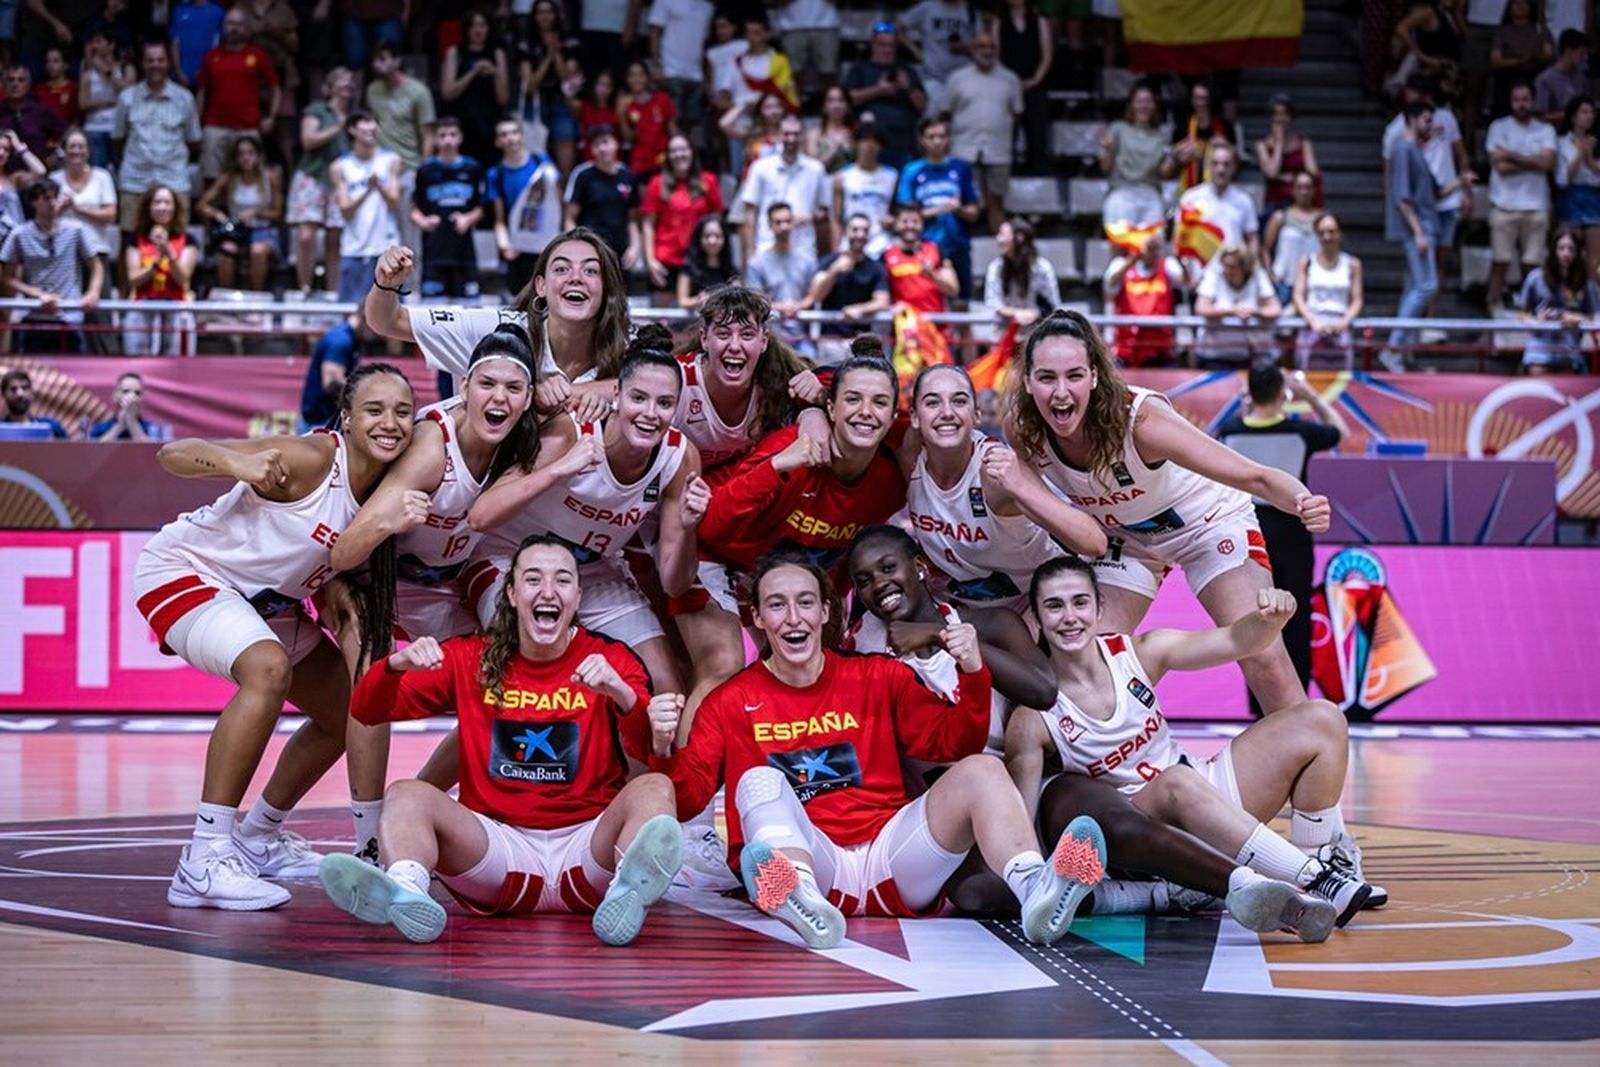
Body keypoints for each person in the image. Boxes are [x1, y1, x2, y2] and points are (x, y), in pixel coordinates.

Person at [651, 552, 1108, 949]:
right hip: (816, 861)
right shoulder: (728, 701)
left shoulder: (877, 675)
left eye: (806, 602)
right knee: (757, 781)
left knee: (981, 769)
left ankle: (1035, 891)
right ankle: (799, 897)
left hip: (892, 857)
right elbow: (689, 799)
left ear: (827, 611)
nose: (794, 617)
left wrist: (972, 674)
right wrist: (661, 745)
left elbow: (954, 741)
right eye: (777, 605)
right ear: (757, 618)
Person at [134, 363, 416, 910]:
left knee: (349, 712)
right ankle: (204, 856)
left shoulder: (390, 484)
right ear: (347, 420)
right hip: (188, 572)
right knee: (266, 670)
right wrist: (237, 461)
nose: (390, 422)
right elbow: (172, 454)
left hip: (267, 604)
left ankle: (259, 836)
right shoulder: (312, 460)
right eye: (374, 410)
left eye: (402, 411)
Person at [321, 534, 683, 945]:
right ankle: (406, 890)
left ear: (577, 597)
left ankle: (628, 893)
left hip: (588, 854)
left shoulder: (611, 659)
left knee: (655, 788)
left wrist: (621, 693)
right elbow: (368, 710)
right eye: (533, 579)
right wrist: (394, 666)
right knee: (407, 793)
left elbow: (650, 756)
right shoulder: (469, 656)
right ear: (511, 594)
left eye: (562, 581)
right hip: (497, 855)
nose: (548, 591)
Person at [1007, 557, 1382, 923]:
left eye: (1080, 602)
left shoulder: (1139, 652)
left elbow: (1237, 639)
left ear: (1099, 607)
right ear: (1037, 620)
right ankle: (1314, 877)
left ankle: (1314, 862)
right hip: (1144, 836)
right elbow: (1022, 823)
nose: (1070, 617)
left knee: (1322, 719)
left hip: (1200, 796)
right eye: (1054, 606)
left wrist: (1269, 620)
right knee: (1174, 781)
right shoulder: (1033, 718)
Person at [1004, 310, 1330, 714]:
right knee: (1086, 658)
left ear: (1093, 376)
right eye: (1046, 377)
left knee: (1261, 652)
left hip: (1207, 525)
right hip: (1128, 539)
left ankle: (1312, 760)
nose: (1060, 392)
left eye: (1073, 375)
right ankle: (1100, 770)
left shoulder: (1141, 421)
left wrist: (1301, 500)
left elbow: (1253, 476)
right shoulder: (1024, 430)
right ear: (1028, 381)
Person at [465, 326, 710, 701]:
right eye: (638, 398)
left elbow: (675, 584)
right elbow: (480, 516)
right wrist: (561, 469)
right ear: (616, 394)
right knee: (521, 675)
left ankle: (647, 762)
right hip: (508, 558)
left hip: (591, 570)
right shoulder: (570, 433)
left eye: (664, 403)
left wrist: (690, 528)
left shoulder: (680, 457)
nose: (649, 414)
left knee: (664, 686)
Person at [365, 228, 627, 424]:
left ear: (606, 288)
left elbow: (667, 375)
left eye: (591, 271)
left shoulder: (627, 342)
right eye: (561, 269)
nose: (576, 279)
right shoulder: (496, 330)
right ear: (541, 286)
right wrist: (385, 284)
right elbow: (387, 321)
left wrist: (571, 392)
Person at [904, 363, 1104, 613]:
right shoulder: (910, 458)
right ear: (914, 416)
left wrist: (1020, 486)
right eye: (932, 403)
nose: (947, 412)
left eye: (959, 401)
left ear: (976, 414)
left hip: (1038, 601)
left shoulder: (994, 470)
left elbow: (1094, 542)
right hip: (968, 606)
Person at [1218, 365, 1349, 716]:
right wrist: (1311, 397)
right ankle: (1296, 706)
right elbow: (1341, 430)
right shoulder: (1300, 430)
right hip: (1293, 534)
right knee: (1297, 617)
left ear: (1251, 394)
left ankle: (1260, 706)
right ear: (1282, 394)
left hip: (1248, 535)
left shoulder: (1228, 432)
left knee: (1256, 617)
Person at [1, 177, 104, 354]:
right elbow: (7, 277)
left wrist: (93, 292)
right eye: (46, 198)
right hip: (34, 316)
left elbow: (96, 266)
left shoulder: (76, 230)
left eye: (54, 197)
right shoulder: (19, 234)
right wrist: (37, 294)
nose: (52, 203)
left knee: (73, 376)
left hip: (69, 315)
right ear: (34, 202)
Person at [112, 41, 201, 239]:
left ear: (168, 63)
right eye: (150, 60)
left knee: (178, 242)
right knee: (129, 240)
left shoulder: (184, 98)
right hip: (135, 179)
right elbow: (118, 140)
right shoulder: (126, 98)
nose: (155, 65)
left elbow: (194, 141)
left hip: (174, 178)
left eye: (160, 60)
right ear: (142, 64)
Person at [1486, 80, 1558, 311]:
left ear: (1533, 101)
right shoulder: (1498, 127)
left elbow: (1547, 163)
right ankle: (1494, 308)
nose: (1521, 104)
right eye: (1517, 100)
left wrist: (1511, 155)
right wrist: (1532, 161)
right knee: (1500, 262)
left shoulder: (1546, 130)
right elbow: (1500, 166)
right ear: (1510, 102)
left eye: (1525, 99)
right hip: (1504, 205)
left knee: (1534, 265)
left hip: (1536, 206)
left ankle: (1536, 309)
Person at [1383, 100, 1441, 370]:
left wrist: (1461, 183)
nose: (1430, 125)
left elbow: (1433, 193)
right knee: (1426, 286)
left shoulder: (1416, 150)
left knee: (1412, 288)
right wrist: (1418, 233)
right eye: (1427, 120)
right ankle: (1393, 348)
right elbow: (1401, 198)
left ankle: (1403, 352)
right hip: (1418, 230)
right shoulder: (1403, 149)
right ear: (1412, 119)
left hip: (1426, 225)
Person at [945, 33, 1022, 235]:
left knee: (996, 201)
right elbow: (946, 112)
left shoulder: (1010, 79)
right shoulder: (957, 78)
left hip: (998, 149)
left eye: (991, 47)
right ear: (972, 49)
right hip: (963, 148)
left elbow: (1017, 112)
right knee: (961, 201)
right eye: (981, 47)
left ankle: (1000, 252)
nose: (986, 51)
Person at [365, 42, 436, 259]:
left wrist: (423, 171)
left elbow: (428, 134)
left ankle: (411, 288)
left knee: (409, 230)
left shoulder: (418, 91)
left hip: (408, 167)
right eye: (377, 59)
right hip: (380, 169)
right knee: (377, 228)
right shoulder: (372, 90)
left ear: (397, 61)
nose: (380, 63)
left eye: (385, 57)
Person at [897, 117, 980, 301]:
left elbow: (973, 213)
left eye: (941, 136)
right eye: (931, 137)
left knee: (961, 305)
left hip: (957, 245)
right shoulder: (912, 170)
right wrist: (941, 209)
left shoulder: (961, 169)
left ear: (949, 139)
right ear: (922, 140)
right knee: (926, 301)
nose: (937, 141)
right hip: (924, 248)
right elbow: (905, 214)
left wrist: (958, 210)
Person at [288, 66, 355, 295]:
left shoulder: (357, 116)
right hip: (312, 177)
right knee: (306, 235)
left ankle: (333, 291)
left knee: (335, 237)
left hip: (340, 182)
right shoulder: (318, 109)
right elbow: (308, 140)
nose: (347, 83)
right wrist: (339, 127)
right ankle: (304, 288)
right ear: (329, 87)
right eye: (341, 80)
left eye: (350, 80)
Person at [195, 7, 280, 183]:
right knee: (211, 177)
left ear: (247, 28)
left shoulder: (257, 55)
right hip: (215, 126)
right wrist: (197, 123)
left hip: (248, 126)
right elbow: (202, 91)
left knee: (252, 178)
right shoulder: (211, 56)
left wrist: (271, 117)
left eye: (240, 24)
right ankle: (214, 211)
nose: (235, 28)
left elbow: (275, 88)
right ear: (223, 27)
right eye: (231, 23)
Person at [410, 115, 484, 309]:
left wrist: (468, 219)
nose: (448, 140)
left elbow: (481, 208)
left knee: (469, 316)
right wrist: (423, 221)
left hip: (464, 256)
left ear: (460, 138)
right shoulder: (425, 170)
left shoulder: (473, 168)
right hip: (434, 255)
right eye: (442, 135)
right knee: (432, 316)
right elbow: (414, 209)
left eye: (452, 135)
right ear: (435, 139)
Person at [329, 110, 401, 307]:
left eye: (373, 123)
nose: (370, 129)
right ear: (352, 130)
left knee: (392, 313)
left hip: (386, 248)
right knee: (349, 311)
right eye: (364, 124)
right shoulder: (340, 166)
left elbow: (394, 202)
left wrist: (380, 187)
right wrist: (368, 191)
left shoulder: (391, 160)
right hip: (354, 248)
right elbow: (345, 209)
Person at [487, 117, 564, 299]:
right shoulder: (495, 174)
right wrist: (505, 245)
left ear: (522, 136)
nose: (511, 138)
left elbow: (559, 203)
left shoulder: (542, 162)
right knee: (518, 298)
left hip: (545, 244)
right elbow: (499, 219)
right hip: (516, 246)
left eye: (514, 132)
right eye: (504, 135)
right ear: (498, 142)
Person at [640, 133, 724, 302]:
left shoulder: (709, 181)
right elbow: (648, 225)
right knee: (663, 321)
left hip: (700, 260)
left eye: (683, 149)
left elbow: (717, 220)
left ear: (692, 152)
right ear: (668, 156)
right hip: (665, 260)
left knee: (700, 317)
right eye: (673, 151)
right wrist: (650, 260)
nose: (679, 155)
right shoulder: (657, 183)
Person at [196, 133, 283, 291]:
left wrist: (257, 213)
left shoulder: (270, 177)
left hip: (262, 230)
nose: (246, 158)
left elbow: (278, 213)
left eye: (250, 153)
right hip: (237, 231)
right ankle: (227, 298)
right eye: (241, 154)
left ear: (258, 155)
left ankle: (256, 296)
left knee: (257, 250)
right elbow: (201, 205)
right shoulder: (229, 178)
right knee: (225, 251)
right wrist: (217, 214)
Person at [740, 113, 830, 264]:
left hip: (804, 247)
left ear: (803, 137)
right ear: (778, 135)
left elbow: (824, 212)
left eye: (796, 134)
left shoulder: (816, 169)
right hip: (766, 245)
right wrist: (750, 250)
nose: (791, 139)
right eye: (787, 134)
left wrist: (811, 216)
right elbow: (750, 212)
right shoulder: (760, 167)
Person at [803, 215, 891, 362]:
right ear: (846, 232)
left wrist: (860, 309)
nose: (860, 235)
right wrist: (833, 272)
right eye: (855, 230)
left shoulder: (875, 268)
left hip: (862, 342)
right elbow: (815, 296)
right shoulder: (829, 261)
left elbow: (882, 301)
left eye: (864, 230)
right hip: (831, 340)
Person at [123, 184, 198, 356]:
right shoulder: (136, 240)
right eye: (157, 202)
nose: (162, 207)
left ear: (175, 208)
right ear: (149, 208)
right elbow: (134, 279)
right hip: (143, 303)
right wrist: (156, 262)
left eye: (167, 203)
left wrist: (167, 250)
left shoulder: (188, 240)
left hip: (176, 304)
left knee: (178, 360)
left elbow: (183, 279)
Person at [843, 24, 927, 170]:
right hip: (871, 142)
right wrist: (879, 90)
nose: (887, 50)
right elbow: (848, 99)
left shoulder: (907, 71)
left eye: (891, 45)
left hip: (904, 142)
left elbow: (922, 105)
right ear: (873, 45)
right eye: (882, 45)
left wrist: (908, 87)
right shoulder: (859, 70)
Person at [1518, 224, 1600, 373]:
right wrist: (1537, 321)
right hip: (1539, 351)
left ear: (1578, 252)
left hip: (1569, 351)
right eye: (1561, 248)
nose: (1566, 253)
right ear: (1553, 250)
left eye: (1571, 249)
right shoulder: (1535, 278)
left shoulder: (1586, 283)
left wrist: (1577, 318)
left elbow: (1595, 318)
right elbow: (1522, 314)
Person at [1103, 231, 1191, 368]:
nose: (1155, 253)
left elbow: (1185, 282)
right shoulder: (1121, 265)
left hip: (1161, 347)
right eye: (1150, 248)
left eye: (1158, 248)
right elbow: (1110, 287)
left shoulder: (1167, 265)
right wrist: (1130, 262)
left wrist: (1182, 262)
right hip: (1128, 347)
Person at [439, 9, 510, 169]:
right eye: (473, 26)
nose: (478, 30)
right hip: (463, 122)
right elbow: (447, 93)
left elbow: (503, 98)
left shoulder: (497, 53)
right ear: (466, 29)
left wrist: (495, 73)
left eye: (482, 25)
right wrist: (473, 72)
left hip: (489, 122)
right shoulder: (455, 52)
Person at [563, 125, 641, 269]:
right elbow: (569, 218)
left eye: (606, 142)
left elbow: (633, 219)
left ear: (616, 144)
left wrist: (635, 247)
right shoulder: (583, 175)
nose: (602, 148)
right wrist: (575, 250)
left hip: (620, 253)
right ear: (591, 149)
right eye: (597, 144)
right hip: (589, 251)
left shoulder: (628, 176)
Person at [1293, 213, 1363, 370]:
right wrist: (1314, 322)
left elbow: (1357, 300)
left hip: (1341, 325)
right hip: (1312, 324)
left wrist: (1343, 323)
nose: (1327, 237)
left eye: (1332, 231)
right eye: (1322, 232)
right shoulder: (1306, 262)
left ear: (1340, 234)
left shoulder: (1353, 264)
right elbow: (1298, 296)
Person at [991, 0, 1054, 174]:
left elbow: (1047, 55)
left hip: (1035, 84)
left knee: (1037, 129)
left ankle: (1038, 170)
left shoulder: (1040, 20)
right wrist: (1011, 82)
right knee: (1007, 131)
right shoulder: (999, 21)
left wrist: (1035, 80)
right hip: (1007, 85)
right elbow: (996, 55)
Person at [1194, 244, 1281, 368]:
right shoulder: (1214, 275)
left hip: (1250, 356)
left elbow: (1275, 309)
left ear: (1245, 267)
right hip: (1214, 355)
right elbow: (1201, 308)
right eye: (1225, 265)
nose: (1227, 270)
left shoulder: (1258, 275)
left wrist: (1254, 312)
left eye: (1233, 267)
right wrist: (1232, 311)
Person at [744, 202, 818, 348]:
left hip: (802, 336)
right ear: (770, 226)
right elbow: (754, 299)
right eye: (778, 222)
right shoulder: (757, 263)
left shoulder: (808, 260)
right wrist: (780, 307)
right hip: (768, 337)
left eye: (788, 221)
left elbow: (813, 296)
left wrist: (799, 306)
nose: (784, 227)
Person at [1176, 140, 1258, 267]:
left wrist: (1250, 267)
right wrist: (1187, 272)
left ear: (1234, 167)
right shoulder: (1190, 198)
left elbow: (1253, 238)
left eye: (1226, 164)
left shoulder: (1244, 200)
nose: (1221, 169)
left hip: (1233, 271)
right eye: (1216, 164)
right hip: (1200, 271)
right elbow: (1180, 239)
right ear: (1208, 166)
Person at [1099, 83, 1170, 229]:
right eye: (1139, 101)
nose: (1144, 106)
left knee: (1152, 247)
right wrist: (1107, 150)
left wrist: (1175, 158)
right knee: (1120, 244)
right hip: (1122, 192)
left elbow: (1163, 172)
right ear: (1131, 105)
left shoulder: (1161, 136)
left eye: (1148, 101)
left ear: (1155, 106)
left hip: (1150, 195)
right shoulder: (1118, 129)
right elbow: (1105, 168)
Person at [521, 0, 579, 178]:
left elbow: (568, 82)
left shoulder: (570, 43)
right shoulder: (526, 45)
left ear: (556, 15)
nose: (545, 17)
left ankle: (564, 202)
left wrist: (557, 52)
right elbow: (530, 85)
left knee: (565, 167)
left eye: (549, 12)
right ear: (534, 16)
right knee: (533, 165)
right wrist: (547, 58)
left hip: (561, 104)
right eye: (540, 13)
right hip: (535, 105)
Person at [647, 0, 712, 158]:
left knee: (690, 123)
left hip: (695, 74)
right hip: (670, 70)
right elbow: (655, 32)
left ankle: (685, 160)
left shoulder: (707, 7)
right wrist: (656, 65)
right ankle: (668, 161)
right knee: (670, 122)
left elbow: (703, 42)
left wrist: (705, 77)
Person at [900, 0, 982, 117]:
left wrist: (965, 48)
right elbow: (898, 28)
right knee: (934, 126)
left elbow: (981, 45)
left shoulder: (971, 11)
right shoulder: (927, 6)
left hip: (963, 82)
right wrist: (917, 53)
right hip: (933, 79)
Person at [47, 127, 117, 261]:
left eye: (81, 147)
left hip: (97, 248)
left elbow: (110, 215)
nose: (76, 151)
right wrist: (62, 208)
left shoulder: (102, 176)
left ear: (89, 151)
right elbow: (45, 216)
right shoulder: (54, 179)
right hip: (63, 249)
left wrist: (77, 208)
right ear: (64, 150)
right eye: (72, 146)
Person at [832, 123, 897, 257]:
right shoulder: (842, 176)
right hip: (851, 240)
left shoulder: (892, 176)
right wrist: (835, 249)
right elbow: (836, 218)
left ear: (881, 147)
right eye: (865, 140)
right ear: (856, 144)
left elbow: (896, 212)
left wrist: (892, 221)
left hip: (882, 242)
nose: (870, 146)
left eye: (875, 142)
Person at [984, 216, 1059, 327]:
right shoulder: (996, 267)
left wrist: (1035, 314)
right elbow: (993, 303)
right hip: (1004, 333)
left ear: (1019, 238)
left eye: (1002, 235)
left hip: (1037, 332)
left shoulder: (1042, 268)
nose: (998, 240)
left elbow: (1052, 305)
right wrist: (1017, 314)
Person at [1256, 95, 1321, 220]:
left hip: (1302, 201)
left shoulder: (1304, 144)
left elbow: (1313, 173)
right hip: (1275, 204)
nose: (1281, 119)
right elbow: (1272, 173)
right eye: (1276, 114)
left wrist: (1292, 178)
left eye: (1285, 114)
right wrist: (1279, 142)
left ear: (1291, 117)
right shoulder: (1262, 146)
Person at [78, 28, 135, 169]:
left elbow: (129, 94)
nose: (95, 46)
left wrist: (107, 72)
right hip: (94, 128)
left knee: (122, 169)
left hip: (120, 128)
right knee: (97, 171)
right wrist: (108, 102)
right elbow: (83, 103)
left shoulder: (125, 68)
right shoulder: (87, 73)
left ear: (111, 45)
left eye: (99, 41)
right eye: (93, 42)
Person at [1170, 81, 1239, 196]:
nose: (1200, 103)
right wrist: (1179, 152)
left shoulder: (1225, 126)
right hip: (1189, 189)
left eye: (1204, 98)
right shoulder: (1182, 126)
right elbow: (1171, 165)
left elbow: (1236, 162)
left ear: (1210, 100)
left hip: (1218, 190)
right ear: (1191, 100)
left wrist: (1226, 145)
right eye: (1197, 98)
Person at [300, 310, 365, 432]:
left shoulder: (346, 337)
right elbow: (331, 383)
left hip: (321, 419)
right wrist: (365, 389)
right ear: (366, 319)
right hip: (321, 422)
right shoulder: (341, 341)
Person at [1264, 171, 1322, 304]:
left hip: (1314, 282)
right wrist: (1270, 276)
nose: (1304, 191)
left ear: (1314, 190)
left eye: (1308, 187)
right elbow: (1266, 249)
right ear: (1293, 190)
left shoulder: (1322, 219)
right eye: (1300, 187)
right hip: (1283, 283)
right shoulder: (1280, 217)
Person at [1556, 96, 1600, 270]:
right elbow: (1562, 179)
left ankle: (1594, 295)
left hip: (1594, 199)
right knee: (1569, 254)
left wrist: (1590, 161)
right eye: (1584, 112)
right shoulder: (1561, 142)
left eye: (1591, 112)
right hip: (1570, 199)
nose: (1589, 116)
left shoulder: (1597, 142)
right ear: (1573, 117)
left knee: (1594, 260)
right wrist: (1580, 154)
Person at [773, 0, 841, 105]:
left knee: (828, 73)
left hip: (826, 24)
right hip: (792, 26)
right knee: (793, 74)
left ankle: (832, 111)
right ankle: (793, 109)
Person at [618, 61, 676, 180]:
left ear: (647, 78)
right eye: (632, 75)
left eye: (641, 75)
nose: (637, 79)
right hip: (639, 163)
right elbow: (627, 138)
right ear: (627, 79)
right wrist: (621, 115)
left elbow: (673, 132)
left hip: (663, 160)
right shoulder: (625, 104)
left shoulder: (662, 99)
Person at [0, 65, 65, 164]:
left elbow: (69, 132)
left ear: (28, 86)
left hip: (36, 174)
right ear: (4, 85)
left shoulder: (41, 112)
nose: (15, 84)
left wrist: (56, 155)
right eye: (10, 80)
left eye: (21, 80)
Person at [678, 214, 736, 310]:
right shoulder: (688, 267)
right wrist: (699, 300)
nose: (712, 241)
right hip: (694, 322)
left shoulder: (731, 269)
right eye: (707, 236)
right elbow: (682, 301)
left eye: (717, 236)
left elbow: (738, 296)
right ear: (699, 238)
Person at [1535, 28, 1589, 123]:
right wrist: (1571, 114)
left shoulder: (1581, 76)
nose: (1585, 57)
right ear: (1569, 51)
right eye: (1582, 53)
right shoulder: (1545, 79)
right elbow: (1540, 117)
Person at [88, 372, 160, 441]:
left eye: (137, 393)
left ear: (142, 398)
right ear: (115, 395)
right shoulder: (100, 428)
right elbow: (95, 450)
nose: (132, 396)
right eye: (126, 391)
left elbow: (152, 451)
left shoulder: (152, 428)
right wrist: (120, 425)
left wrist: (132, 422)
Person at [0, 368, 69, 437]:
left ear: (31, 393)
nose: (20, 394)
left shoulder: (51, 426)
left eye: (25, 388)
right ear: (4, 394)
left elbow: (69, 447)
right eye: (13, 389)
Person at [804, 85, 856, 174]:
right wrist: (836, 146)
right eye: (831, 101)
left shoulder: (855, 133)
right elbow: (813, 168)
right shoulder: (814, 134)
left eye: (841, 100)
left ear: (848, 106)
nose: (836, 106)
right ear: (824, 106)